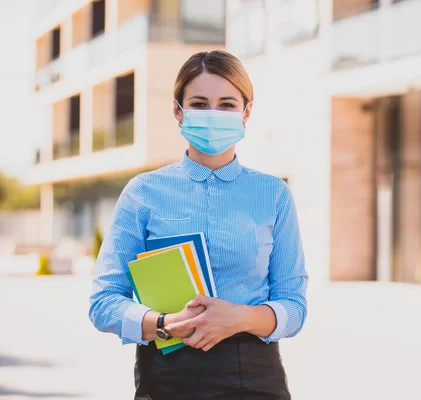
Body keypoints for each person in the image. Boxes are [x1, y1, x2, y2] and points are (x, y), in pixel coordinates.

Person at [89, 50, 308, 399]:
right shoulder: (143, 193)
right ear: (179, 111)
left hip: (253, 376)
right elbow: (103, 303)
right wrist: (165, 323)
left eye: (226, 104)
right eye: (200, 103)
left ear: (246, 112)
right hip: (166, 374)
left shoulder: (273, 194)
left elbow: (294, 306)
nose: (213, 114)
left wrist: (238, 317)